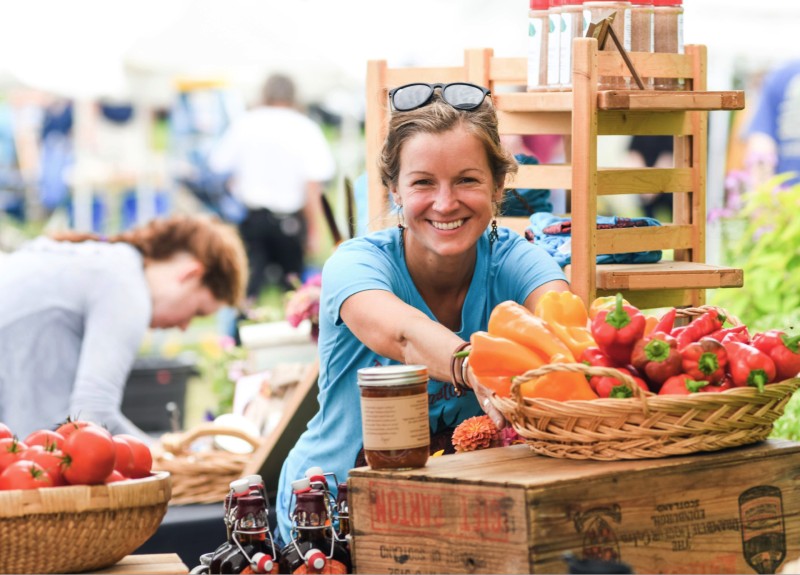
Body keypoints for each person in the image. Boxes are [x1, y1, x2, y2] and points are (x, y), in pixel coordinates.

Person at [275, 82, 569, 543]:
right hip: (329, 514)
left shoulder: (515, 259)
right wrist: (477, 369)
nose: (445, 202)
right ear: (394, 188)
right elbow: (407, 334)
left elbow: (562, 319)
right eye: (423, 182)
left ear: (498, 185)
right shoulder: (356, 264)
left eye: (467, 180)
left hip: (449, 514)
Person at [0, 214, 248, 441]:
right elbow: (92, 417)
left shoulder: (103, 260)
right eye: (196, 312)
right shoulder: (124, 285)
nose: (184, 327)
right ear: (190, 274)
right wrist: (172, 461)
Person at [209, 73, 336, 304]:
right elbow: (312, 184)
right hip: (289, 222)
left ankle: (237, 337)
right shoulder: (305, 127)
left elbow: (219, 166)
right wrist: (314, 231)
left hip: (252, 219)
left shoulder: (245, 122)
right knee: (295, 293)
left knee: (247, 290)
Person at [745, 59, 800, 188]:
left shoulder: (782, 74)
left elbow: (761, 143)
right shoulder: (783, 75)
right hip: (787, 201)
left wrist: (763, 197)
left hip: (785, 200)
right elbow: (761, 145)